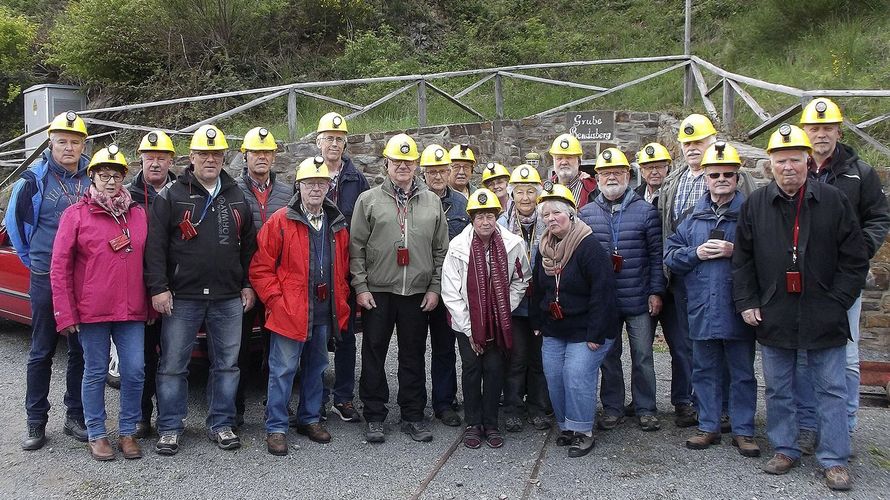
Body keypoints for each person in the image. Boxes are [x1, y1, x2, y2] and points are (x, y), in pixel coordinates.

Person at [732, 124, 867, 491]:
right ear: (769, 165)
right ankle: (785, 448)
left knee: (831, 388)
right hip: (774, 309)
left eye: (794, 159)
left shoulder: (833, 201)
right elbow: (742, 260)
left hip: (824, 309)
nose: (788, 167)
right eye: (780, 161)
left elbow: (855, 260)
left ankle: (834, 459)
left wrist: (838, 299)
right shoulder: (756, 205)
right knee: (778, 388)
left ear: (808, 161)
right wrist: (747, 303)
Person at [145, 124, 257, 455]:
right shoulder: (172, 196)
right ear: (191, 157)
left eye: (216, 154)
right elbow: (155, 247)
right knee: (173, 365)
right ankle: (169, 427)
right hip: (182, 297)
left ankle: (221, 423)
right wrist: (159, 288)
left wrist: (249, 284)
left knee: (227, 364)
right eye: (204, 154)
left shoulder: (237, 195)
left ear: (224, 158)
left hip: (227, 297)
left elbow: (249, 246)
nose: (210, 159)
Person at [794, 98, 890, 451]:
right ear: (806, 131)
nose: (821, 134)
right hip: (801, 278)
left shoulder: (858, 172)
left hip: (843, 279)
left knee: (846, 357)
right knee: (804, 353)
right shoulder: (794, 165)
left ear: (839, 130)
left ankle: (844, 426)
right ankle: (808, 427)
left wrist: (858, 252)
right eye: (814, 128)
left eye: (827, 128)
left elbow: (878, 217)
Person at [50, 145, 150, 461]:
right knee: (94, 371)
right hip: (92, 310)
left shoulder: (138, 214)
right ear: (92, 176)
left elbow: (149, 261)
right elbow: (59, 266)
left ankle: (127, 431)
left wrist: (148, 303)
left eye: (116, 175)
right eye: (104, 175)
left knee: (134, 371)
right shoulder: (75, 215)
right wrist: (65, 313)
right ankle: (96, 433)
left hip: (131, 308)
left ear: (124, 178)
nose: (110, 181)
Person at [657, 113, 755, 428]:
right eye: (687, 143)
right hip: (687, 276)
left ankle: (729, 414)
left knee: (732, 351)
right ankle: (701, 410)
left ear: (712, 141)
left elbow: (755, 231)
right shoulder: (675, 180)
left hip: (729, 279)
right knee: (694, 349)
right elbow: (670, 233)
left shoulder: (739, 180)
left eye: (698, 141)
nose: (692, 148)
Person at [350, 133, 449, 443]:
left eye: (408, 161)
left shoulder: (432, 201)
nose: (403, 166)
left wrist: (435, 288)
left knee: (413, 354)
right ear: (386, 163)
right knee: (374, 352)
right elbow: (356, 248)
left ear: (416, 164)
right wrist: (361, 286)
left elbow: (441, 250)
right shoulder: (368, 200)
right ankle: (375, 415)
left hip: (417, 292)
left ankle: (412, 414)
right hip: (378, 291)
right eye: (397, 161)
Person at [249, 156, 351, 455]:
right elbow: (260, 268)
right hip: (289, 312)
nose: (316, 189)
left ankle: (309, 418)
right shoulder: (280, 220)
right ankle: (276, 427)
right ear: (299, 186)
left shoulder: (337, 223)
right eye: (310, 183)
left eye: (321, 183)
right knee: (282, 370)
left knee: (317, 367)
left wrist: (340, 299)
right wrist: (275, 302)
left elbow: (343, 268)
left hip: (322, 311)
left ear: (329, 187)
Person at [5, 111, 91, 450]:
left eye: (75, 141)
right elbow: (15, 228)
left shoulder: (93, 177)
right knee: (41, 350)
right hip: (44, 277)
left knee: (80, 350)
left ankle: (75, 416)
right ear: (51, 142)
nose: (68, 147)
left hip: (83, 278)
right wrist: (39, 262)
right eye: (62, 141)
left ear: (84, 144)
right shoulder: (32, 180)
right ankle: (35, 421)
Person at [529, 182, 618, 458]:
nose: (550, 219)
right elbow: (538, 288)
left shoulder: (589, 247)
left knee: (576, 375)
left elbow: (603, 293)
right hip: (555, 327)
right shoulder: (545, 248)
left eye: (556, 213)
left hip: (588, 328)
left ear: (571, 214)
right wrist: (536, 321)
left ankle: (583, 431)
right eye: (545, 215)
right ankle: (567, 425)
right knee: (554, 375)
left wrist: (595, 334)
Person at [579, 148, 664, 432]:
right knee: (608, 357)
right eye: (605, 173)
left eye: (617, 172)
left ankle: (646, 408)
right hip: (604, 302)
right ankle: (613, 407)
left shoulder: (646, 211)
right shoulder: (586, 214)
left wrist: (656, 291)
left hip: (638, 298)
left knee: (642, 356)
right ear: (598, 177)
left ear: (628, 175)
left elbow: (656, 257)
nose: (611, 177)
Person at [442, 188, 530, 449]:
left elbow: (522, 279)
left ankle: (491, 422)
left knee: (494, 369)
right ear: (471, 219)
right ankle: (472, 422)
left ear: (496, 217)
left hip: (498, 321)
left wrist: (504, 307)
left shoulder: (513, 244)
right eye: (479, 217)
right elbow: (450, 290)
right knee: (471, 369)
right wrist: (470, 330)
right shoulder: (458, 247)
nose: (485, 222)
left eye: (490, 216)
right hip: (466, 322)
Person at [234, 126, 293, 428]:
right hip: (245, 281)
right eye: (256, 152)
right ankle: (236, 408)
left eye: (267, 152)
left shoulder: (287, 193)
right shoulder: (232, 190)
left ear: (274, 156)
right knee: (239, 348)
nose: (261, 157)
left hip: (276, 280)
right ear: (245, 156)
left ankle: (277, 406)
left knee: (277, 347)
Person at [316, 112, 369, 423]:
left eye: (339, 139)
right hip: (316, 269)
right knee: (317, 336)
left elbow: (363, 227)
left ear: (345, 142)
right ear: (318, 142)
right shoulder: (307, 172)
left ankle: (344, 398)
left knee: (347, 335)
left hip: (345, 271)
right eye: (328, 138)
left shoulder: (356, 179)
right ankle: (317, 398)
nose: (334, 144)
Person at [126, 130, 178, 438]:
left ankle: (170, 420)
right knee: (144, 358)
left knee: (173, 358)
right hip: (141, 290)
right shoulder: (128, 196)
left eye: (161, 158)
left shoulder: (185, 191)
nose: (155, 164)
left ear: (172, 160)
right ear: (141, 160)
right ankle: (142, 417)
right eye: (149, 158)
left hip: (179, 287)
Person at [498, 165, 551, 432]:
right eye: (520, 192)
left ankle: (538, 407)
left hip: (541, 302)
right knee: (516, 357)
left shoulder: (549, 223)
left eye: (531, 191)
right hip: (514, 302)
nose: (526, 198)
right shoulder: (500, 224)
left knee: (539, 359)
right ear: (512, 194)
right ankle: (513, 408)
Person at [420, 144, 470, 427]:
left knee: (444, 346)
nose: (438, 176)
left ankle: (444, 402)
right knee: (412, 348)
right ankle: (414, 404)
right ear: (423, 173)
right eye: (432, 171)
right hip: (417, 285)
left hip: (450, 288)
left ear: (449, 171)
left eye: (442, 170)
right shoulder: (414, 200)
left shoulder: (462, 205)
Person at [548, 134, 597, 209]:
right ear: (553, 161)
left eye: (569, 157)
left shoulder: (593, 188)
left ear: (579, 161)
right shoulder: (544, 189)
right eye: (559, 158)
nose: (564, 162)